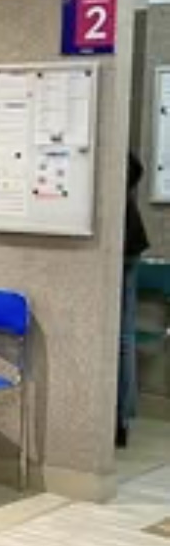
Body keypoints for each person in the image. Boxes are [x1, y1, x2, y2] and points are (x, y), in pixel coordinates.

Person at [119, 151, 150, 449]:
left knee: (122, 338)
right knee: (123, 337)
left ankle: (120, 419)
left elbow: (135, 167)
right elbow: (136, 167)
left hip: (124, 244)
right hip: (129, 240)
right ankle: (122, 420)